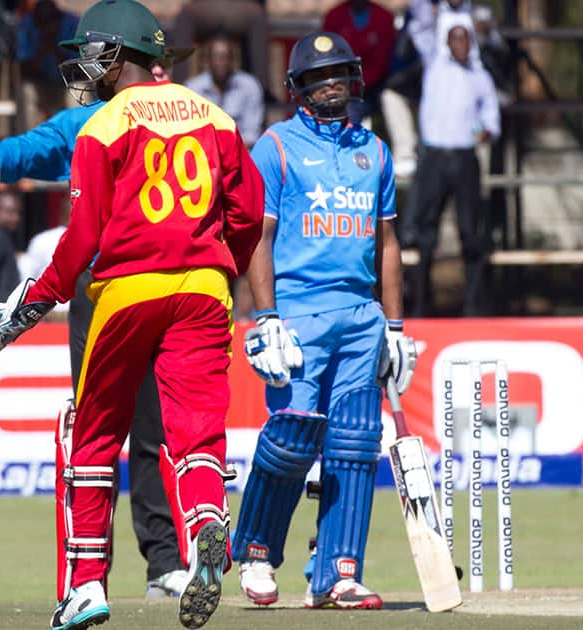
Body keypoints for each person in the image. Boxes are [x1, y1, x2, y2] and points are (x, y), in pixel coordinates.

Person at [0, 1, 264, 627]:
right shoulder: (217, 116)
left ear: (116, 57)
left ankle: (87, 585)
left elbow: (80, 240)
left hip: (122, 292)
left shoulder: (101, 124)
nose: (85, 66)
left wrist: (27, 308)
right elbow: (250, 214)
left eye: (92, 55)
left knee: (92, 436)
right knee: (197, 434)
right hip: (205, 293)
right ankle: (206, 527)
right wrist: (218, 267)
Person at [0, 47, 197, 602]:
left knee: (155, 431)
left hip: (165, 288)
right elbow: (33, 146)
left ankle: (164, 563)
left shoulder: (190, 117)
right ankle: (88, 572)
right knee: (96, 432)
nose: (161, 74)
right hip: (100, 294)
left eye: (165, 65)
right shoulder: (88, 121)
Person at [229, 32, 417, 610]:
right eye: (318, 75)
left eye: (339, 73)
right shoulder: (276, 147)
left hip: (362, 316)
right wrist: (264, 319)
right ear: (298, 87)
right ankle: (257, 552)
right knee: (291, 435)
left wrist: (395, 327)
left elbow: (387, 242)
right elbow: (257, 239)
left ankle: (337, 572)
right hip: (298, 314)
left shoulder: (375, 151)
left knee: (355, 444)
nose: (331, 82)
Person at [408, 22, 499, 316]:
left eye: (464, 40)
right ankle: (422, 305)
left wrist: (485, 132)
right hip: (434, 157)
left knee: (471, 233)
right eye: (454, 40)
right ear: (447, 43)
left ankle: (473, 307)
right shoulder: (434, 66)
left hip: (464, 157)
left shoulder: (480, 77)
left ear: (470, 43)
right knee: (426, 234)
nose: (460, 45)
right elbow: (420, 26)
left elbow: (491, 117)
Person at [321, 0, 396, 125]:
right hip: (342, 84)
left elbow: (382, 61)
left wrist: (359, 84)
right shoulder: (334, 16)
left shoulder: (383, 17)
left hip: (377, 86)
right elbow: (329, 57)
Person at [184, 35, 265, 147]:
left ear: (232, 60)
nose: (221, 62)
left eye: (225, 57)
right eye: (217, 57)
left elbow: (252, 133)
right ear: (208, 60)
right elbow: (189, 131)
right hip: (204, 154)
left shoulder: (249, 86)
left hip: (240, 153)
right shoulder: (193, 89)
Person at [16, 0, 80, 129]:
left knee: (79, 92)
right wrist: (42, 49)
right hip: (41, 83)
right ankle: (30, 144)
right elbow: (23, 70)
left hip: (66, 85)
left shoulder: (72, 23)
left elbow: (79, 69)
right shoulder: (26, 24)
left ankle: (79, 142)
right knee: (27, 91)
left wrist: (55, 49)